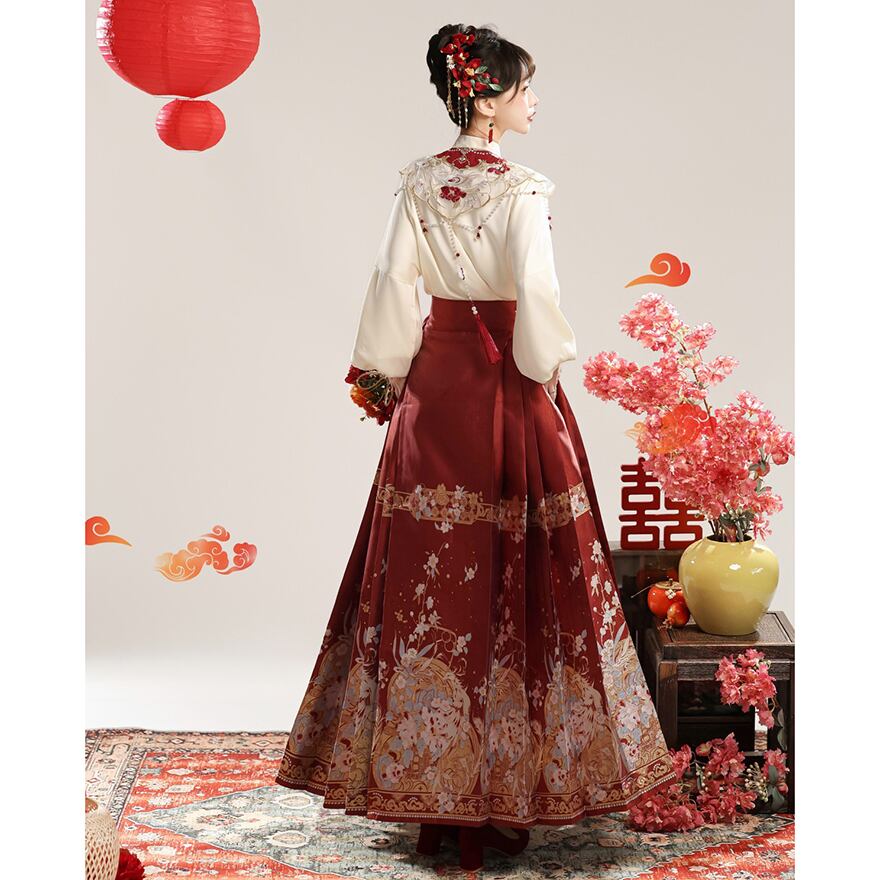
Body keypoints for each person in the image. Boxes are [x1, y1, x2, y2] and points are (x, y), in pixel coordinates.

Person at [275, 22, 676, 872]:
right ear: (487, 100)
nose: (535, 101)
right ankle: (505, 788)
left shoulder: (418, 182)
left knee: (428, 572)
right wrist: (545, 371)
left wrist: (385, 376)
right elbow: (535, 294)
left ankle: (430, 790)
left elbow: (393, 281)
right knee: (518, 578)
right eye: (525, 88)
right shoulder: (522, 189)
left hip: (435, 387)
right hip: (504, 385)